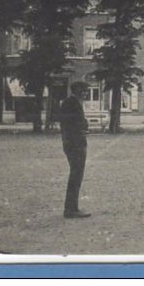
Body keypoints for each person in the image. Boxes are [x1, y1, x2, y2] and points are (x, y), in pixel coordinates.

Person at [59, 81, 91, 219]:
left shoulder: (72, 103)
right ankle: (70, 209)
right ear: (76, 90)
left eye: (86, 91)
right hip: (74, 144)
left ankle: (72, 207)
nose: (85, 93)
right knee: (76, 175)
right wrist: (83, 125)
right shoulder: (70, 104)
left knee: (76, 175)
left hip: (75, 143)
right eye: (83, 90)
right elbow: (74, 124)